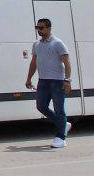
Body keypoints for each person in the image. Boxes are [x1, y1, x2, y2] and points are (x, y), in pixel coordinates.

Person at [24, 18, 73, 148]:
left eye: (41, 28)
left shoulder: (58, 43)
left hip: (57, 81)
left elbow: (66, 63)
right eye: (37, 27)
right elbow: (34, 62)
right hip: (43, 81)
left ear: (49, 28)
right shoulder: (36, 44)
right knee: (41, 106)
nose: (39, 30)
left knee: (59, 109)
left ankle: (61, 137)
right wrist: (29, 78)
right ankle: (63, 124)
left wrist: (67, 80)